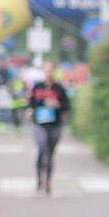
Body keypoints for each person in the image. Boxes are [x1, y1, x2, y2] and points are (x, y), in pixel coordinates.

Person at [27, 61, 70, 194]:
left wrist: (57, 104)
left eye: (50, 69)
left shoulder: (59, 88)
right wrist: (30, 110)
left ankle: (48, 181)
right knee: (43, 146)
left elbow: (66, 106)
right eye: (46, 70)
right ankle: (39, 179)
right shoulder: (37, 86)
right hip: (40, 124)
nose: (48, 72)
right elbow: (31, 103)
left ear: (54, 71)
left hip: (54, 125)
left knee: (50, 153)